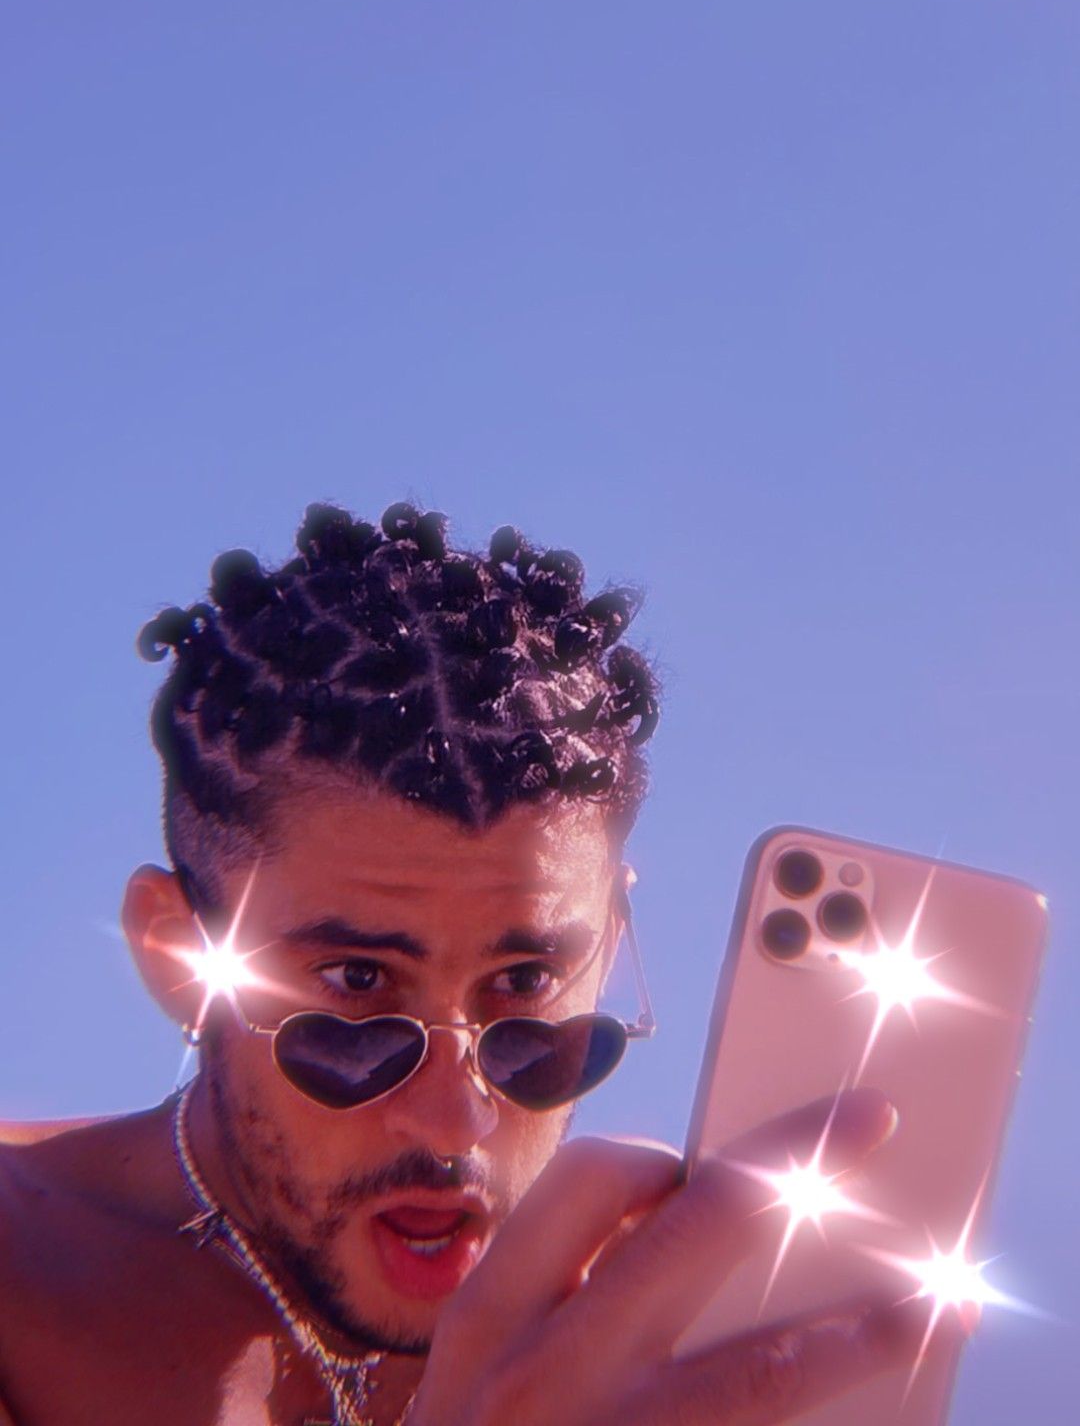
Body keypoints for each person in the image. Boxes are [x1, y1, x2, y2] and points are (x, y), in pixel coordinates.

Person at [0, 500, 946, 1425]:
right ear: (178, 956)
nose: (456, 1119)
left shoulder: (670, 1341)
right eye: (358, 982)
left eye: (524, 983)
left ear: (611, 939)